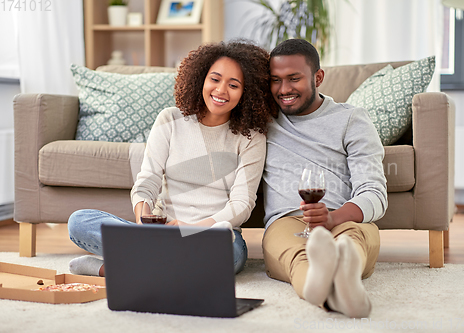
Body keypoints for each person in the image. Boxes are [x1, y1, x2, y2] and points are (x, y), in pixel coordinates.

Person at [67, 39, 278, 277]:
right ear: (201, 79)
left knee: (230, 256)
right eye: (215, 79)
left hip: (213, 234)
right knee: (79, 221)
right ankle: (166, 262)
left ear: (247, 92)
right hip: (162, 230)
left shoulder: (251, 137)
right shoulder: (169, 119)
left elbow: (242, 205)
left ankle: (118, 267)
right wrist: (143, 219)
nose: (220, 91)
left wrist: (189, 229)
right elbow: (147, 181)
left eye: (233, 85)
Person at [262, 39, 387, 318]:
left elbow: (374, 192)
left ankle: (341, 279)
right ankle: (336, 295)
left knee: (350, 242)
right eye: (275, 80)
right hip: (286, 220)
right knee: (298, 258)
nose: (284, 90)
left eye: (294, 79)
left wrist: (332, 219)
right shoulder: (262, 120)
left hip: (342, 217)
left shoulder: (352, 119)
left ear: (318, 77)